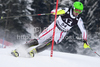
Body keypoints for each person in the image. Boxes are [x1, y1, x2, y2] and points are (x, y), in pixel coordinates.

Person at [11, 1, 88, 57]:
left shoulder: (78, 19)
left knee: (52, 43)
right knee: (39, 40)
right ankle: (19, 49)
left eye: (80, 11)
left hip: (62, 32)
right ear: (73, 8)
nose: (78, 12)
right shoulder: (66, 10)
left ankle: (34, 51)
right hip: (54, 26)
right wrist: (57, 12)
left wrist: (85, 40)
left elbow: (83, 30)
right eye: (77, 10)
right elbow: (53, 11)